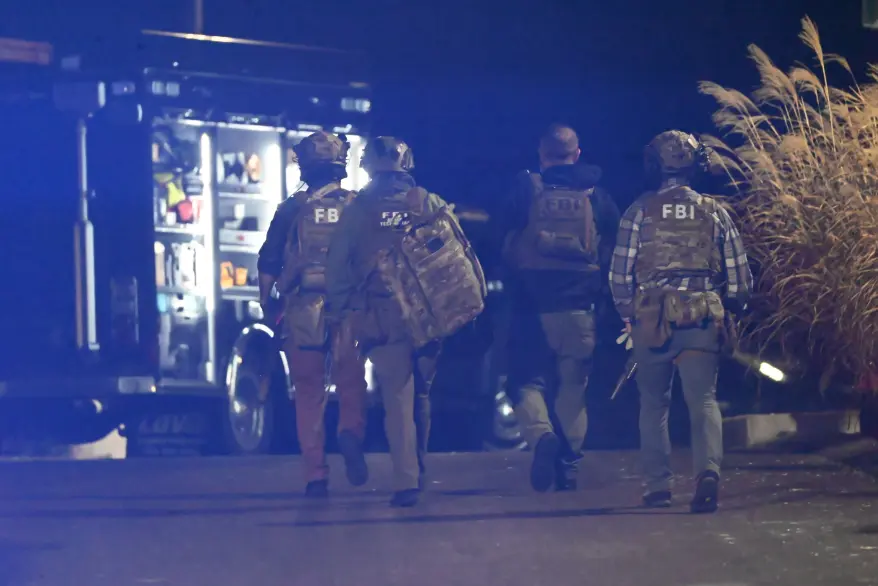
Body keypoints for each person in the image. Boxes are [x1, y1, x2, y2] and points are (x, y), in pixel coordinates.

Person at [609, 130, 753, 513]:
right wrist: (733, 307)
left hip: (651, 319)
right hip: (701, 316)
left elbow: (619, 275)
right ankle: (707, 473)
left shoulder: (639, 211)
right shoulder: (713, 210)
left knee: (654, 404)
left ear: (654, 165)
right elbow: (740, 277)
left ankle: (658, 487)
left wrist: (628, 315)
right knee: (703, 400)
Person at [325, 137, 452, 508]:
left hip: (383, 313)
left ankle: (406, 480)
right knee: (422, 394)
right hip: (430, 314)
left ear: (370, 166)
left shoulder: (361, 208)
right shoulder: (427, 201)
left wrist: (340, 308)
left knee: (397, 395)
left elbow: (338, 262)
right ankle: (420, 466)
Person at [498, 123, 621, 492]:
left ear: (542, 155)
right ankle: (568, 465)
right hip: (582, 309)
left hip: (531, 309)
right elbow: (616, 250)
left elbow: (497, 238)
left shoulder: (525, 190)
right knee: (573, 389)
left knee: (524, 381)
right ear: (577, 154)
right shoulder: (597, 196)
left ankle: (540, 437)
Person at [257, 130, 368, 498]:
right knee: (351, 381)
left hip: (304, 308)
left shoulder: (292, 208)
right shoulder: (358, 206)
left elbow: (268, 262)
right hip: (350, 308)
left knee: (308, 391)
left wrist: (268, 304)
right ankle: (351, 432)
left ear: (304, 165)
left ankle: (315, 474)